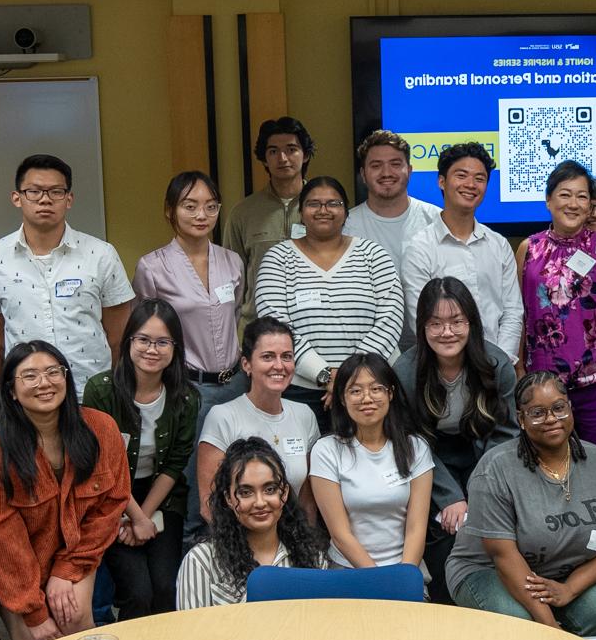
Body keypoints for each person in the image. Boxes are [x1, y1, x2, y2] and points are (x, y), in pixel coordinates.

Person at [0, 341, 131, 640]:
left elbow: (111, 506)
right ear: (11, 391)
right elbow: (0, 539)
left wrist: (67, 570)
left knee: (75, 619)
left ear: (67, 379)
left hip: (78, 552)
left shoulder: (101, 429)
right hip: (18, 567)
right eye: (29, 376)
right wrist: (34, 611)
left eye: (53, 372)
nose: (44, 383)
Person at [445, 372, 596, 635]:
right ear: (521, 420)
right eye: (537, 412)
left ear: (570, 408)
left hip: (563, 575)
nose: (551, 419)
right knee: (519, 620)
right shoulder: (496, 469)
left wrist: (569, 589)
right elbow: (504, 556)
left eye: (559, 408)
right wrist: (548, 627)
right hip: (489, 571)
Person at [395, 277, 519, 603]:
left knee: (487, 524)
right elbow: (412, 440)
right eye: (435, 323)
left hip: (485, 455)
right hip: (429, 457)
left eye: (456, 322)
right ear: (421, 327)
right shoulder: (406, 371)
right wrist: (450, 496)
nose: (446, 333)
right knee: (445, 528)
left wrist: (478, 492)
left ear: (471, 323)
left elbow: (506, 435)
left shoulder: (496, 364)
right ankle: (445, 605)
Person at [0, 154, 136, 384]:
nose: (45, 200)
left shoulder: (101, 254)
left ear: (69, 199)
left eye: (56, 192)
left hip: (89, 391)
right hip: (26, 394)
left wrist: (105, 388)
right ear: (17, 198)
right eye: (34, 191)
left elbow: (117, 339)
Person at [81, 299, 201, 619]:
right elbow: (100, 467)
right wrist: (134, 516)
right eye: (143, 340)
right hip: (111, 498)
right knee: (137, 592)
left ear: (175, 347)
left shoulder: (186, 398)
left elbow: (175, 464)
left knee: (165, 587)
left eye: (162, 342)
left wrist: (144, 517)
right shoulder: (101, 391)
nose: (152, 349)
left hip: (161, 499)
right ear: (129, 340)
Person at [254, 176, 402, 428]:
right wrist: (325, 374)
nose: (323, 210)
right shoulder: (278, 258)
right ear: (301, 212)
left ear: (346, 212)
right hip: (300, 391)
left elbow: (391, 318)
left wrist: (352, 377)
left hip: (369, 390)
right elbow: (274, 325)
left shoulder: (373, 255)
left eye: (333, 203)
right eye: (313, 204)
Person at [518, 161, 596, 454]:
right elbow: (520, 312)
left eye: (582, 196)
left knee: (595, 461)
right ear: (548, 200)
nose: (574, 203)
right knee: (546, 463)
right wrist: (519, 368)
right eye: (565, 194)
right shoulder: (528, 249)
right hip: (542, 382)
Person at [134, 171, 245, 422]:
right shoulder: (152, 267)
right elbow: (143, 334)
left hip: (236, 384)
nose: (201, 215)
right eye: (190, 206)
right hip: (185, 387)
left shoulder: (232, 262)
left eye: (211, 206)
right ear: (170, 210)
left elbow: (235, 313)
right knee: (192, 461)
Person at [192, 318, 322, 531]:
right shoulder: (223, 416)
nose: (279, 365)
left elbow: (307, 502)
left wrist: (304, 548)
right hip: (239, 544)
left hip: (293, 544)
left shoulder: (304, 415)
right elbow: (210, 506)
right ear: (246, 364)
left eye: (286, 357)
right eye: (268, 356)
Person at [311, 353, 434, 572]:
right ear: (342, 398)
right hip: (347, 569)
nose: (367, 398)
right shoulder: (327, 450)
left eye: (376, 389)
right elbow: (340, 535)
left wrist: (402, 576)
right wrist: (380, 581)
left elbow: (416, 529)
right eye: (355, 391)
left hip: (405, 568)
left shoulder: (415, 448)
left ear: (391, 393)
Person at [403, 142, 525, 360]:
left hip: (494, 367)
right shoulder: (420, 247)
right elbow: (421, 318)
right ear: (442, 181)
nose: (471, 184)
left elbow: (512, 312)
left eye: (480, 179)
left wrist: (501, 361)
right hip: (442, 368)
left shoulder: (498, 244)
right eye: (461, 175)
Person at [175, 437, 328, 610]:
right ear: (229, 499)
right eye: (246, 492)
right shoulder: (201, 560)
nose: (260, 502)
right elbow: (192, 633)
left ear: (284, 492)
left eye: (269, 489)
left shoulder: (312, 556)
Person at [225, 116, 315, 317]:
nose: (283, 158)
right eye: (273, 151)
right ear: (264, 159)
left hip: (313, 323)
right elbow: (231, 280)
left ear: (305, 155)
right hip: (258, 327)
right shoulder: (243, 213)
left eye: (291, 149)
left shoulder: (324, 208)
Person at [345, 130, 442, 286]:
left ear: (409, 171)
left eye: (395, 164)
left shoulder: (437, 220)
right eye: (376, 166)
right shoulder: (346, 226)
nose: (386, 173)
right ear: (363, 174)